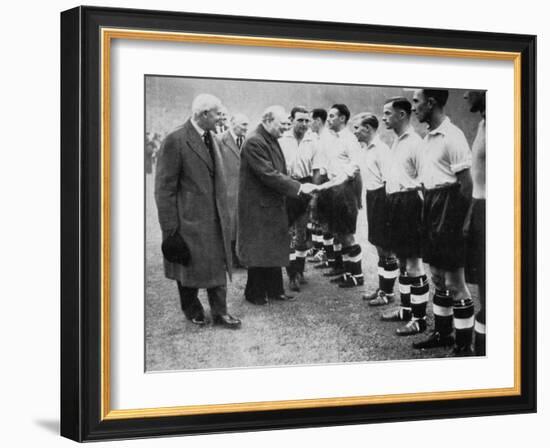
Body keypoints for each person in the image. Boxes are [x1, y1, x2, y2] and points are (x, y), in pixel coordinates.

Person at [154, 93, 241, 329]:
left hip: (215, 220)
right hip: (188, 221)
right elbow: (164, 189)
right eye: (217, 114)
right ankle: (192, 309)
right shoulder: (176, 139)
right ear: (203, 114)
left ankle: (220, 312)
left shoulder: (211, 137)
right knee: (187, 268)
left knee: (217, 267)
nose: (220, 118)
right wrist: (171, 230)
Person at [411, 88, 474, 355]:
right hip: (432, 206)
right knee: (436, 276)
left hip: (450, 208)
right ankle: (443, 333)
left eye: (417, 101)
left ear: (431, 103)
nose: (415, 107)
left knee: (455, 282)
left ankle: (463, 345)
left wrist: (462, 221)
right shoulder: (427, 138)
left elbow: (466, 185)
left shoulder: (453, 135)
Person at [237, 105, 318, 305]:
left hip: (271, 203)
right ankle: (254, 293)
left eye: (286, 124)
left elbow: (278, 170)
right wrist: (298, 187)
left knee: (274, 247)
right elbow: (268, 174)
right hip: (259, 206)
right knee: (260, 250)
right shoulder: (254, 141)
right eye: (282, 124)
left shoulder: (270, 138)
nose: (285, 128)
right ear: (267, 120)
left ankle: (275, 290)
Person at [372, 97, 428, 337]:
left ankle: (419, 319)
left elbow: (426, 182)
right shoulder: (396, 141)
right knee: (403, 262)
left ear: (402, 115)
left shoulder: (416, 142)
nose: (383, 118)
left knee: (413, 264)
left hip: (410, 204)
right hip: (394, 203)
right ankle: (406, 310)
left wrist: (423, 215)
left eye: (387, 114)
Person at [352, 113, 399, 302]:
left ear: (368, 129)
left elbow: (390, 181)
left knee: (386, 247)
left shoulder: (381, 150)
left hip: (383, 197)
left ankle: (388, 293)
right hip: (372, 197)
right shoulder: (365, 149)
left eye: (357, 128)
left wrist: (387, 208)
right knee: (379, 246)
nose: (354, 131)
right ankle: (382, 289)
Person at [316, 104, 364, 288]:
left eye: (332, 116)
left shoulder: (350, 139)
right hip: (332, 188)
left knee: (347, 234)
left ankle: (357, 275)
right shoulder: (331, 139)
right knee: (338, 232)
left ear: (343, 118)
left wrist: (350, 190)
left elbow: (356, 166)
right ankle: (346, 271)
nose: (328, 119)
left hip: (345, 188)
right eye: (328, 116)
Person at [279, 106, 318, 291]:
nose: (303, 124)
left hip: (306, 186)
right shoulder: (281, 139)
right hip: (286, 186)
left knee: (302, 234)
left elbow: (317, 169)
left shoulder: (313, 140)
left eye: (306, 120)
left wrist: (314, 195)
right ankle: (291, 274)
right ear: (291, 119)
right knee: (287, 234)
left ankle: (299, 270)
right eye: (300, 120)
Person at [463, 90, 486, 356]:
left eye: (472, 89)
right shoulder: (482, 123)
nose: (466, 94)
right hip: (479, 207)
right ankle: (480, 352)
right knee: (482, 284)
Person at [217, 112, 250, 268]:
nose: (246, 128)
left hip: (243, 189)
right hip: (227, 189)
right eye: (243, 124)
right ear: (233, 123)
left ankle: (239, 257)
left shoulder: (248, 141)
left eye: (247, 125)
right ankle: (227, 258)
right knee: (228, 225)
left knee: (241, 225)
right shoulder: (220, 140)